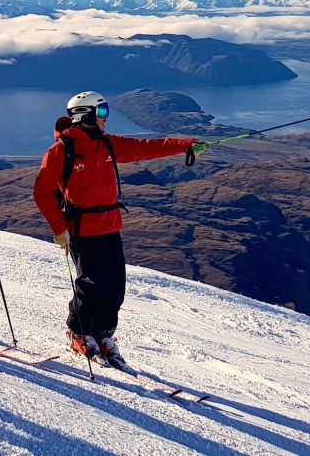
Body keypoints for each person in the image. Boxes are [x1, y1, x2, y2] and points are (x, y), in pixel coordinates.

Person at [33, 91, 199, 367]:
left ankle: (103, 334)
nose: (105, 118)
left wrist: (185, 145)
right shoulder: (62, 150)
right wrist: (58, 229)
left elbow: (146, 147)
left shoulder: (107, 144)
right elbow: (41, 191)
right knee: (89, 285)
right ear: (84, 116)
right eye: (101, 112)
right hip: (82, 229)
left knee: (114, 287)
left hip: (110, 227)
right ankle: (79, 333)